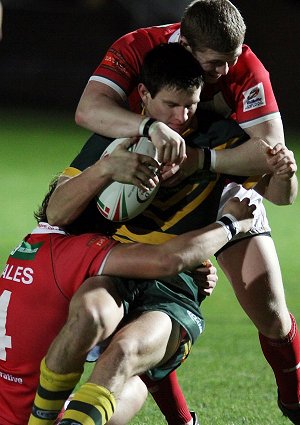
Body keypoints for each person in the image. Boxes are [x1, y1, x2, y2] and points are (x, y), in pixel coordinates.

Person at [71, 1, 300, 422]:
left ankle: (295, 398)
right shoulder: (139, 47)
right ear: (185, 45)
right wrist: (148, 128)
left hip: (221, 177)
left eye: (232, 60)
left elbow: (272, 163)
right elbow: (88, 109)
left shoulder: (246, 68)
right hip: (146, 175)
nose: (226, 72)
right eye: (214, 64)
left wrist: (201, 161)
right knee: (137, 314)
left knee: (268, 308)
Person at [0, 172, 255, 425]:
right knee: (133, 385)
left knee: (126, 334)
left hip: (6, 404)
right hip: (28, 414)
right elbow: (167, 259)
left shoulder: (31, 245)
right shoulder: (79, 251)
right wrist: (231, 223)